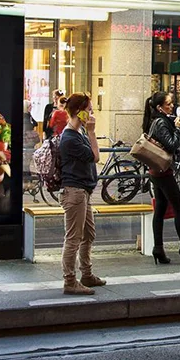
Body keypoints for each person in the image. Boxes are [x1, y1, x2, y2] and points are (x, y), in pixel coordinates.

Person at [142, 91, 180, 265]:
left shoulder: (156, 120)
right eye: (169, 103)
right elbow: (172, 144)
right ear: (160, 107)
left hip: (156, 171)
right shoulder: (161, 122)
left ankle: (158, 248)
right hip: (163, 172)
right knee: (179, 208)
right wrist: (178, 128)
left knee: (160, 208)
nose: (172, 105)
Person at [56, 92, 107, 295]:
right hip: (74, 191)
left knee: (88, 234)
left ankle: (86, 274)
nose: (92, 113)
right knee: (73, 238)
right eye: (89, 110)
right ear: (79, 112)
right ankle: (70, 281)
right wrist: (92, 132)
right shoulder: (70, 137)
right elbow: (95, 157)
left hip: (82, 191)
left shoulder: (78, 133)